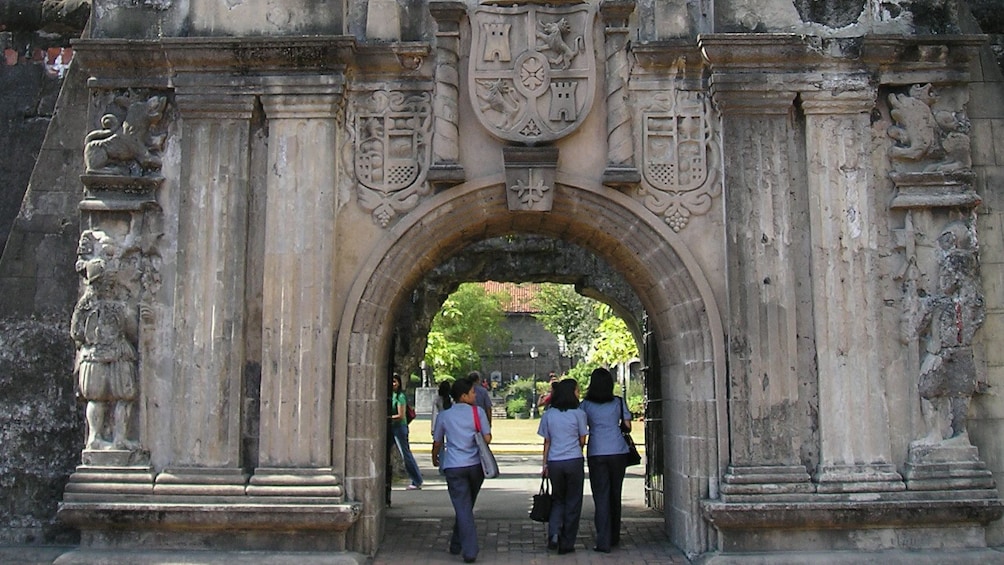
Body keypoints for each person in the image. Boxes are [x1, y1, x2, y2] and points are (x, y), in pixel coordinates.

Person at [432, 378, 493, 563]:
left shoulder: (445, 416)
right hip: (475, 465)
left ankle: (465, 546)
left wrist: (434, 456)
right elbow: (488, 438)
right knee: (466, 506)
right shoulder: (478, 412)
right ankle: (464, 546)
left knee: (462, 507)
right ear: (463, 396)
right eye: (473, 392)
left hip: (454, 465)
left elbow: (437, 441)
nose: (476, 395)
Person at [579, 367, 632, 553]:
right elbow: (627, 425)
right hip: (618, 451)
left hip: (597, 452)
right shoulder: (617, 401)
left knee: (601, 496)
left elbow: (580, 425)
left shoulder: (585, 404)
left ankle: (603, 539)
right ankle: (614, 535)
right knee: (615, 495)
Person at [537, 379, 587, 554]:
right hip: (573, 460)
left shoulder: (549, 415)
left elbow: (547, 441)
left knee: (558, 499)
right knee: (573, 501)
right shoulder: (578, 414)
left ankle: (553, 533)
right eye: (577, 390)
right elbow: (582, 439)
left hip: (555, 461)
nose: (578, 393)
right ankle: (567, 541)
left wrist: (544, 464)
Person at [390, 374, 423, 490]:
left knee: (405, 454)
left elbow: (401, 415)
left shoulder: (400, 396)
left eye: (394, 381)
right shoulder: (390, 395)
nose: (393, 384)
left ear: (398, 383)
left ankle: (417, 480)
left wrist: (387, 418)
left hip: (399, 427)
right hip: (391, 427)